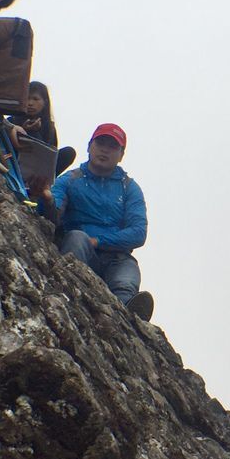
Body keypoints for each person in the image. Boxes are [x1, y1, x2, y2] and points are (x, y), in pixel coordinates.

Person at [35, 123, 153, 321]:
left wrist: (98, 241)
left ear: (121, 154)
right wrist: (46, 198)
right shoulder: (71, 179)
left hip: (117, 258)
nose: (105, 150)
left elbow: (138, 232)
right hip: (81, 250)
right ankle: (67, 291)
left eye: (112, 146)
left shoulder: (129, 188)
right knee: (77, 238)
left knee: (126, 279)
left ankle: (127, 316)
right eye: (100, 143)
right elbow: (52, 214)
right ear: (89, 146)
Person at [8, 81, 76, 176]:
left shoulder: (49, 128)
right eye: (27, 98)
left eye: (35, 99)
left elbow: (50, 156)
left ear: (45, 102)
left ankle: (43, 184)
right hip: (15, 163)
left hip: (41, 171)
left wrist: (36, 132)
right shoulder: (12, 120)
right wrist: (23, 130)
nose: (30, 103)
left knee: (69, 152)